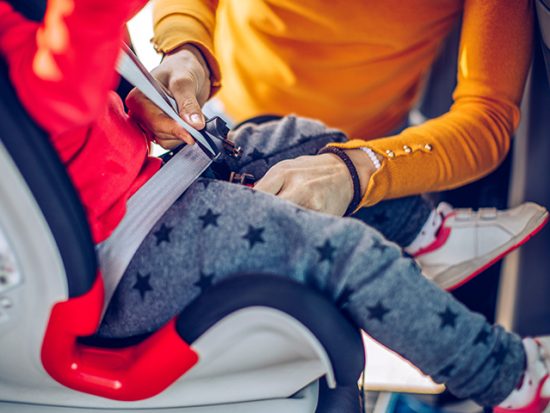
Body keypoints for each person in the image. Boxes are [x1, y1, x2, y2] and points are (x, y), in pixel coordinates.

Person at [0, 0, 548, 411]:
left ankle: (427, 233)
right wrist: (185, 54)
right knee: (347, 255)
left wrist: (137, 92)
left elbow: (487, 117)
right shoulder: (27, 34)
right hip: (122, 247)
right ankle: (507, 377)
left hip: (139, 190)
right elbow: (62, 76)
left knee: (296, 137)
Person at [129, 0, 541, 289]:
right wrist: (187, 50)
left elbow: (488, 118)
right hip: (226, 116)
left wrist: (358, 169)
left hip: (367, 149)